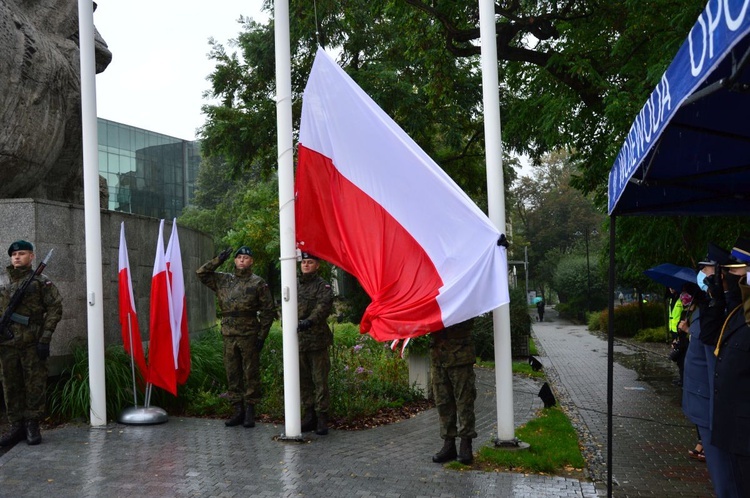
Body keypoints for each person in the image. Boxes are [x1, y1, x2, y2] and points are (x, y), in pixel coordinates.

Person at [197, 246, 276, 428]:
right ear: (234, 261)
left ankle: (250, 411)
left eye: (246, 258)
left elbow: (267, 311)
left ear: (251, 262)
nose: (242, 260)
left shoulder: (258, 283)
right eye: (239, 257)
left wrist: (262, 336)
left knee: (250, 373)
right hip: (229, 334)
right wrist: (218, 260)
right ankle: (237, 410)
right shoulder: (223, 279)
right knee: (232, 373)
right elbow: (201, 273)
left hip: (249, 334)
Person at [0, 240, 62, 446]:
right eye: (14, 254)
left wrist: (45, 338)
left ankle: (32, 425)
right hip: (6, 343)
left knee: (34, 384)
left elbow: (55, 308)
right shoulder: (3, 282)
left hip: (32, 343)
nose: (17, 257)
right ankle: (16, 426)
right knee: (11, 385)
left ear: (32, 257)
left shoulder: (40, 282)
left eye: (22, 253)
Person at [712, 236, 750, 497]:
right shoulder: (740, 312)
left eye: (737, 271)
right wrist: (716, 299)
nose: (730, 277)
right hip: (735, 432)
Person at [430, 318, 477, 465]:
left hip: (460, 354)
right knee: (443, 402)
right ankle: (449, 443)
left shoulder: (463, 295)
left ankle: (465, 444)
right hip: (439, 355)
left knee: (464, 401)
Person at [296, 252, 334, 435]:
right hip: (299, 341)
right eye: (303, 262)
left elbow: (323, 307)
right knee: (303, 381)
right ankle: (309, 415)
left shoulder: (323, 286)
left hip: (317, 340)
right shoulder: (293, 283)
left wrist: (308, 321)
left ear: (317, 265)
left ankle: (322, 418)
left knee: (320, 381)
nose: (306, 265)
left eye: (310, 262)